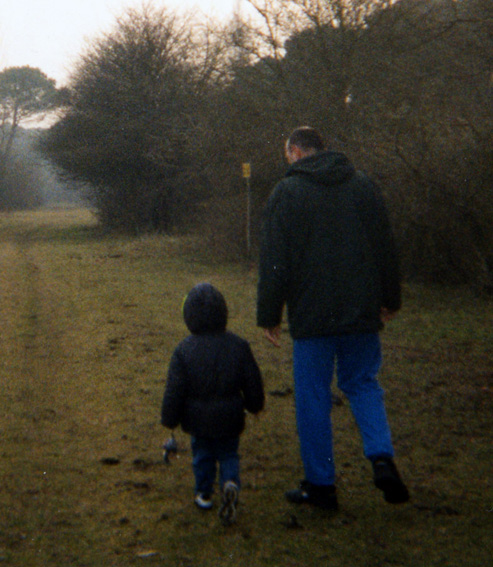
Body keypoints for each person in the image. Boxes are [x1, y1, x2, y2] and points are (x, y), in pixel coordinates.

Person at [257, 126, 409, 510]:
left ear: (294, 152)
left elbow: (275, 261)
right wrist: (390, 298)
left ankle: (321, 485)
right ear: (322, 150)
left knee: (313, 397)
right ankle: (381, 457)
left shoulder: (286, 193)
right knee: (362, 383)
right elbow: (384, 247)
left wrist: (269, 314)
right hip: (361, 312)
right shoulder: (362, 186)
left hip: (312, 317)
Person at [161, 283, 265, 524]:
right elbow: (252, 380)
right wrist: (255, 404)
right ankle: (230, 482)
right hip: (230, 417)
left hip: (198, 420)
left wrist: (169, 420)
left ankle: (204, 493)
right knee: (229, 454)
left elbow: (174, 390)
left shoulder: (183, 350)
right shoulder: (239, 346)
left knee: (203, 455)